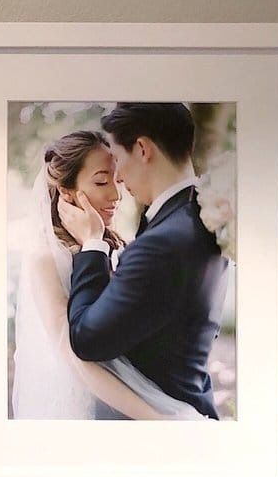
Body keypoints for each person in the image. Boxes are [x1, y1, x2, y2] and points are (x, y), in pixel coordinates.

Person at [12, 129, 206, 419]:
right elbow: (75, 358)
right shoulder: (45, 258)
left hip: (133, 395)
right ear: (66, 191)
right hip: (85, 410)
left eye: (117, 181)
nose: (116, 195)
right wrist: (155, 418)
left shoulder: (112, 246)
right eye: (101, 181)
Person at [58, 104, 228, 419]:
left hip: (160, 425)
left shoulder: (164, 242)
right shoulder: (199, 217)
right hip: (185, 400)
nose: (119, 179)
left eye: (119, 161)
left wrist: (93, 245)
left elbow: (86, 340)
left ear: (142, 148)